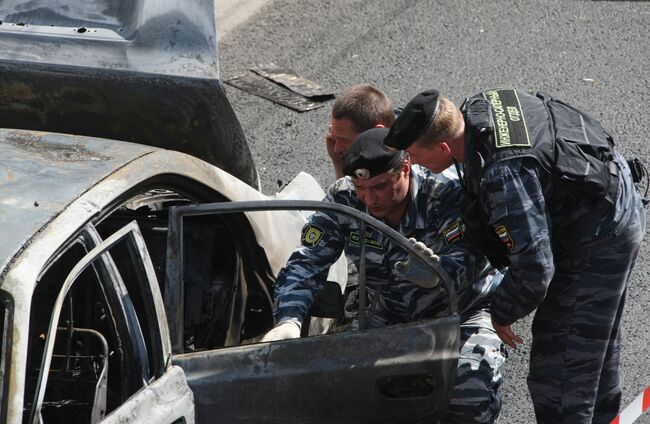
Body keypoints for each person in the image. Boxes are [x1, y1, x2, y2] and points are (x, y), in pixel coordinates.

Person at [384, 88, 646, 424]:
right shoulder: (477, 109)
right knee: (592, 351)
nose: (416, 165)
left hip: (598, 239)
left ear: (444, 147)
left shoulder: (501, 174)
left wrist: (501, 313)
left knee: (561, 372)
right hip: (611, 205)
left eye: (417, 157)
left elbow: (535, 269)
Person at [263, 127, 506, 423]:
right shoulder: (345, 197)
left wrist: (440, 273)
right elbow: (307, 261)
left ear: (404, 168)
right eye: (362, 188)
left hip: (461, 312)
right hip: (390, 312)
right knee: (345, 392)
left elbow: (473, 256)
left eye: (379, 187)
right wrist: (289, 318)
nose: (369, 199)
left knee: (466, 399)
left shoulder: (444, 196)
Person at [326, 84, 396, 178]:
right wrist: (338, 162)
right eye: (335, 137)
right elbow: (346, 191)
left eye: (344, 140)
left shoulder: (406, 167)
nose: (336, 149)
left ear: (377, 131)